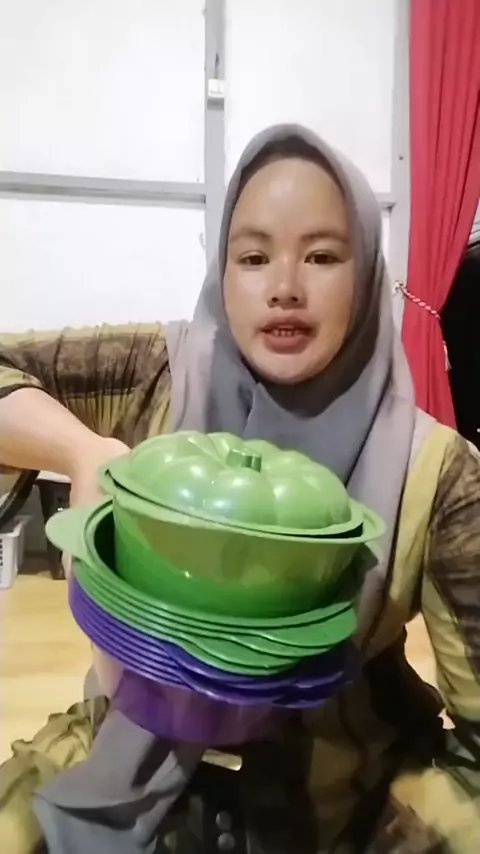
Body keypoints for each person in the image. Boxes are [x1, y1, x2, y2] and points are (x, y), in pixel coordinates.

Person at [0, 124, 479, 853]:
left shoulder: (437, 471)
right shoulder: (163, 372)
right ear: (221, 272)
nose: (284, 286)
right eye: (253, 257)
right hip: (118, 755)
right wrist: (82, 451)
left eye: (322, 256)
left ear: (368, 271)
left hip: (341, 797)